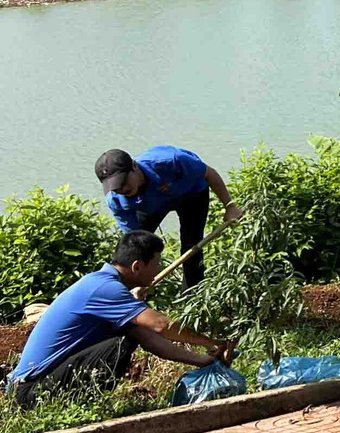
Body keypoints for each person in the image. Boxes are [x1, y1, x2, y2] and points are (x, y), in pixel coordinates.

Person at [6, 231, 235, 410]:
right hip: (30, 392)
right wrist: (211, 341)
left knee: (131, 329)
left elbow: (149, 338)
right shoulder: (106, 289)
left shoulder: (103, 285)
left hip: (32, 387)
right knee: (122, 341)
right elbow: (160, 325)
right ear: (137, 266)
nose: (158, 271)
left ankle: (82, 402)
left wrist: (203, 360)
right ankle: (84, 405)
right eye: (156, 264)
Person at [95, 147, 245, 291]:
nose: (122, 189)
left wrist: (230, 206)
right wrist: (152, 267)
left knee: (191, 246)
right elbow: (134, 239)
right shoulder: (116, 199)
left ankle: (191, 296)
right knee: (136, 251)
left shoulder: (172, 161)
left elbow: (209, 174)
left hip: (191, 194)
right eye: (115, 187)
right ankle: (136, 295)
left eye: (123, 182)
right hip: (150, 205)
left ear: (134, 166)